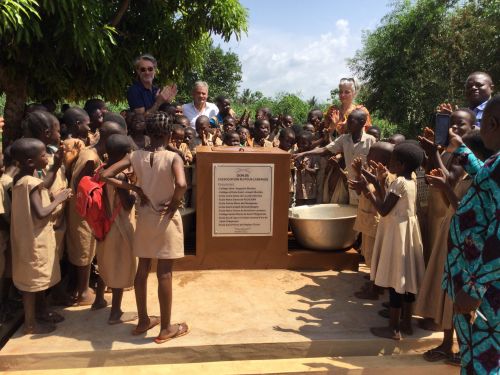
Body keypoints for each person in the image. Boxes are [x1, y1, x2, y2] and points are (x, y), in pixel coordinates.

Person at [100, 112, 189, 343]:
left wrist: (136, 189)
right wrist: (175, 203)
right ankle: (167, 328)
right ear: (169, 134)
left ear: (148, 133)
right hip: (165, 219)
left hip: (145, 216)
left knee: (143, 269)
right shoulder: (173, 157)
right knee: (164, 273)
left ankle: (142, 320)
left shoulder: (135, 155)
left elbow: (105, 174)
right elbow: (181, 183)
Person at [417, 129, 492, 366]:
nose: (459, 161)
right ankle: (448, 344)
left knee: (460, 303)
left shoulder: (483, 181)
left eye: (463, 155)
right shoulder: (470, 177)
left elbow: (467, 212)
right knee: (449, 296)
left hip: (467, 255)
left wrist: (445, 188)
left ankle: (461, 348)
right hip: (452, 244)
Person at [442, 96, 500, 374]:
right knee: (473, 354)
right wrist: (461, 150)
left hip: (486, 292)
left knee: (485, 361)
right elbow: (485, 181)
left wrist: (474, 289)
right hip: (473, 281)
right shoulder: (497, 160)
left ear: (492, 123)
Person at [350, 142, 425, 340]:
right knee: (406, 280)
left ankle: (393, 328)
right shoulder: (410, 180)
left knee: (395, 280)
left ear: (400, 164)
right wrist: (369, 177)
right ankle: (406, 323)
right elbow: (388, 198)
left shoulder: (399, 182)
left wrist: (367, 190)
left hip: (396, 234)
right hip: (406, 231)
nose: (388, 164)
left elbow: (383, 209)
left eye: (391, 161)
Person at [10, 138, 72, 333]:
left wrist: (57, 164)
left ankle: (42, 312)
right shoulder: (30, 183)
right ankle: (30, 323)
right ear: (31, 161)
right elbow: (41, 212)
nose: (47, 157)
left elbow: (44, 183)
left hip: (27, 237)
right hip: (34, 240)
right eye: (44, 155)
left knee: (37, 280)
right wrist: (59, 199)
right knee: (32, 283)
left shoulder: (23, 178)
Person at [66, 121, 126, 308]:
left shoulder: (98, 154)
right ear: (106, 136)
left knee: (91, 250)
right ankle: (83, 291)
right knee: (84, 250)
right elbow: (80, 187)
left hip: (91, 211)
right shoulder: (90, 157)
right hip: (84, 211)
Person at [95, 134, 137, 325]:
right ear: (126, 154)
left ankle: (98, 300)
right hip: (118, 227)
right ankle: (116, 313)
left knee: (105, 262)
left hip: (103, 225)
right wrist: (135, 192)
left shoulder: (101, 169)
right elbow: (127, 205)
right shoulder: (119, 176)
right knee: (120, 265)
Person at [294, 109, 376, 205]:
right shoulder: (344, 139)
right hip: (350, 185)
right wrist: (304, 153)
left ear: (362, 123)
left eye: (351, 121)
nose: (347, 124)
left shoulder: (371, 141)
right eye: (348, 121)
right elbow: (325, 150)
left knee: (366, 210)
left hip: (366, 185)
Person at [351, 142, 394, 300]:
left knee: (376, 256)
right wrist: (358, 175)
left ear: (383, 160)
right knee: (369, 253)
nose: (368, 156)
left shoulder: (387, 177)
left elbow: (382, 197)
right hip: (366, 219)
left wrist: (365, 185)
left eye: (371, 154)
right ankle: (374, 281)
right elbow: (359, 190)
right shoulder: (370, 171)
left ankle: (375, 289)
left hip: (375, 222)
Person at [294, 131, 320, 206]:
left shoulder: (313, 156)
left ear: (310, 144)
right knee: (299, 207)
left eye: (303, 143)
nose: (300, 145)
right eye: (299, 143)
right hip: (298, 188)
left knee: (310, 207)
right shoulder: (295, 154)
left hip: (310, 190)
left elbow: (315, 171)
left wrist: (306, 168)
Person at [278, 128, 297, 207]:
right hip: (276, 185)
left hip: (288, 187)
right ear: (280, 139)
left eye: (291, 142)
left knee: (287, 208)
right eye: (287, 141)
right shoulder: (274, 150)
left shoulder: (293, 153)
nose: (289, 144)